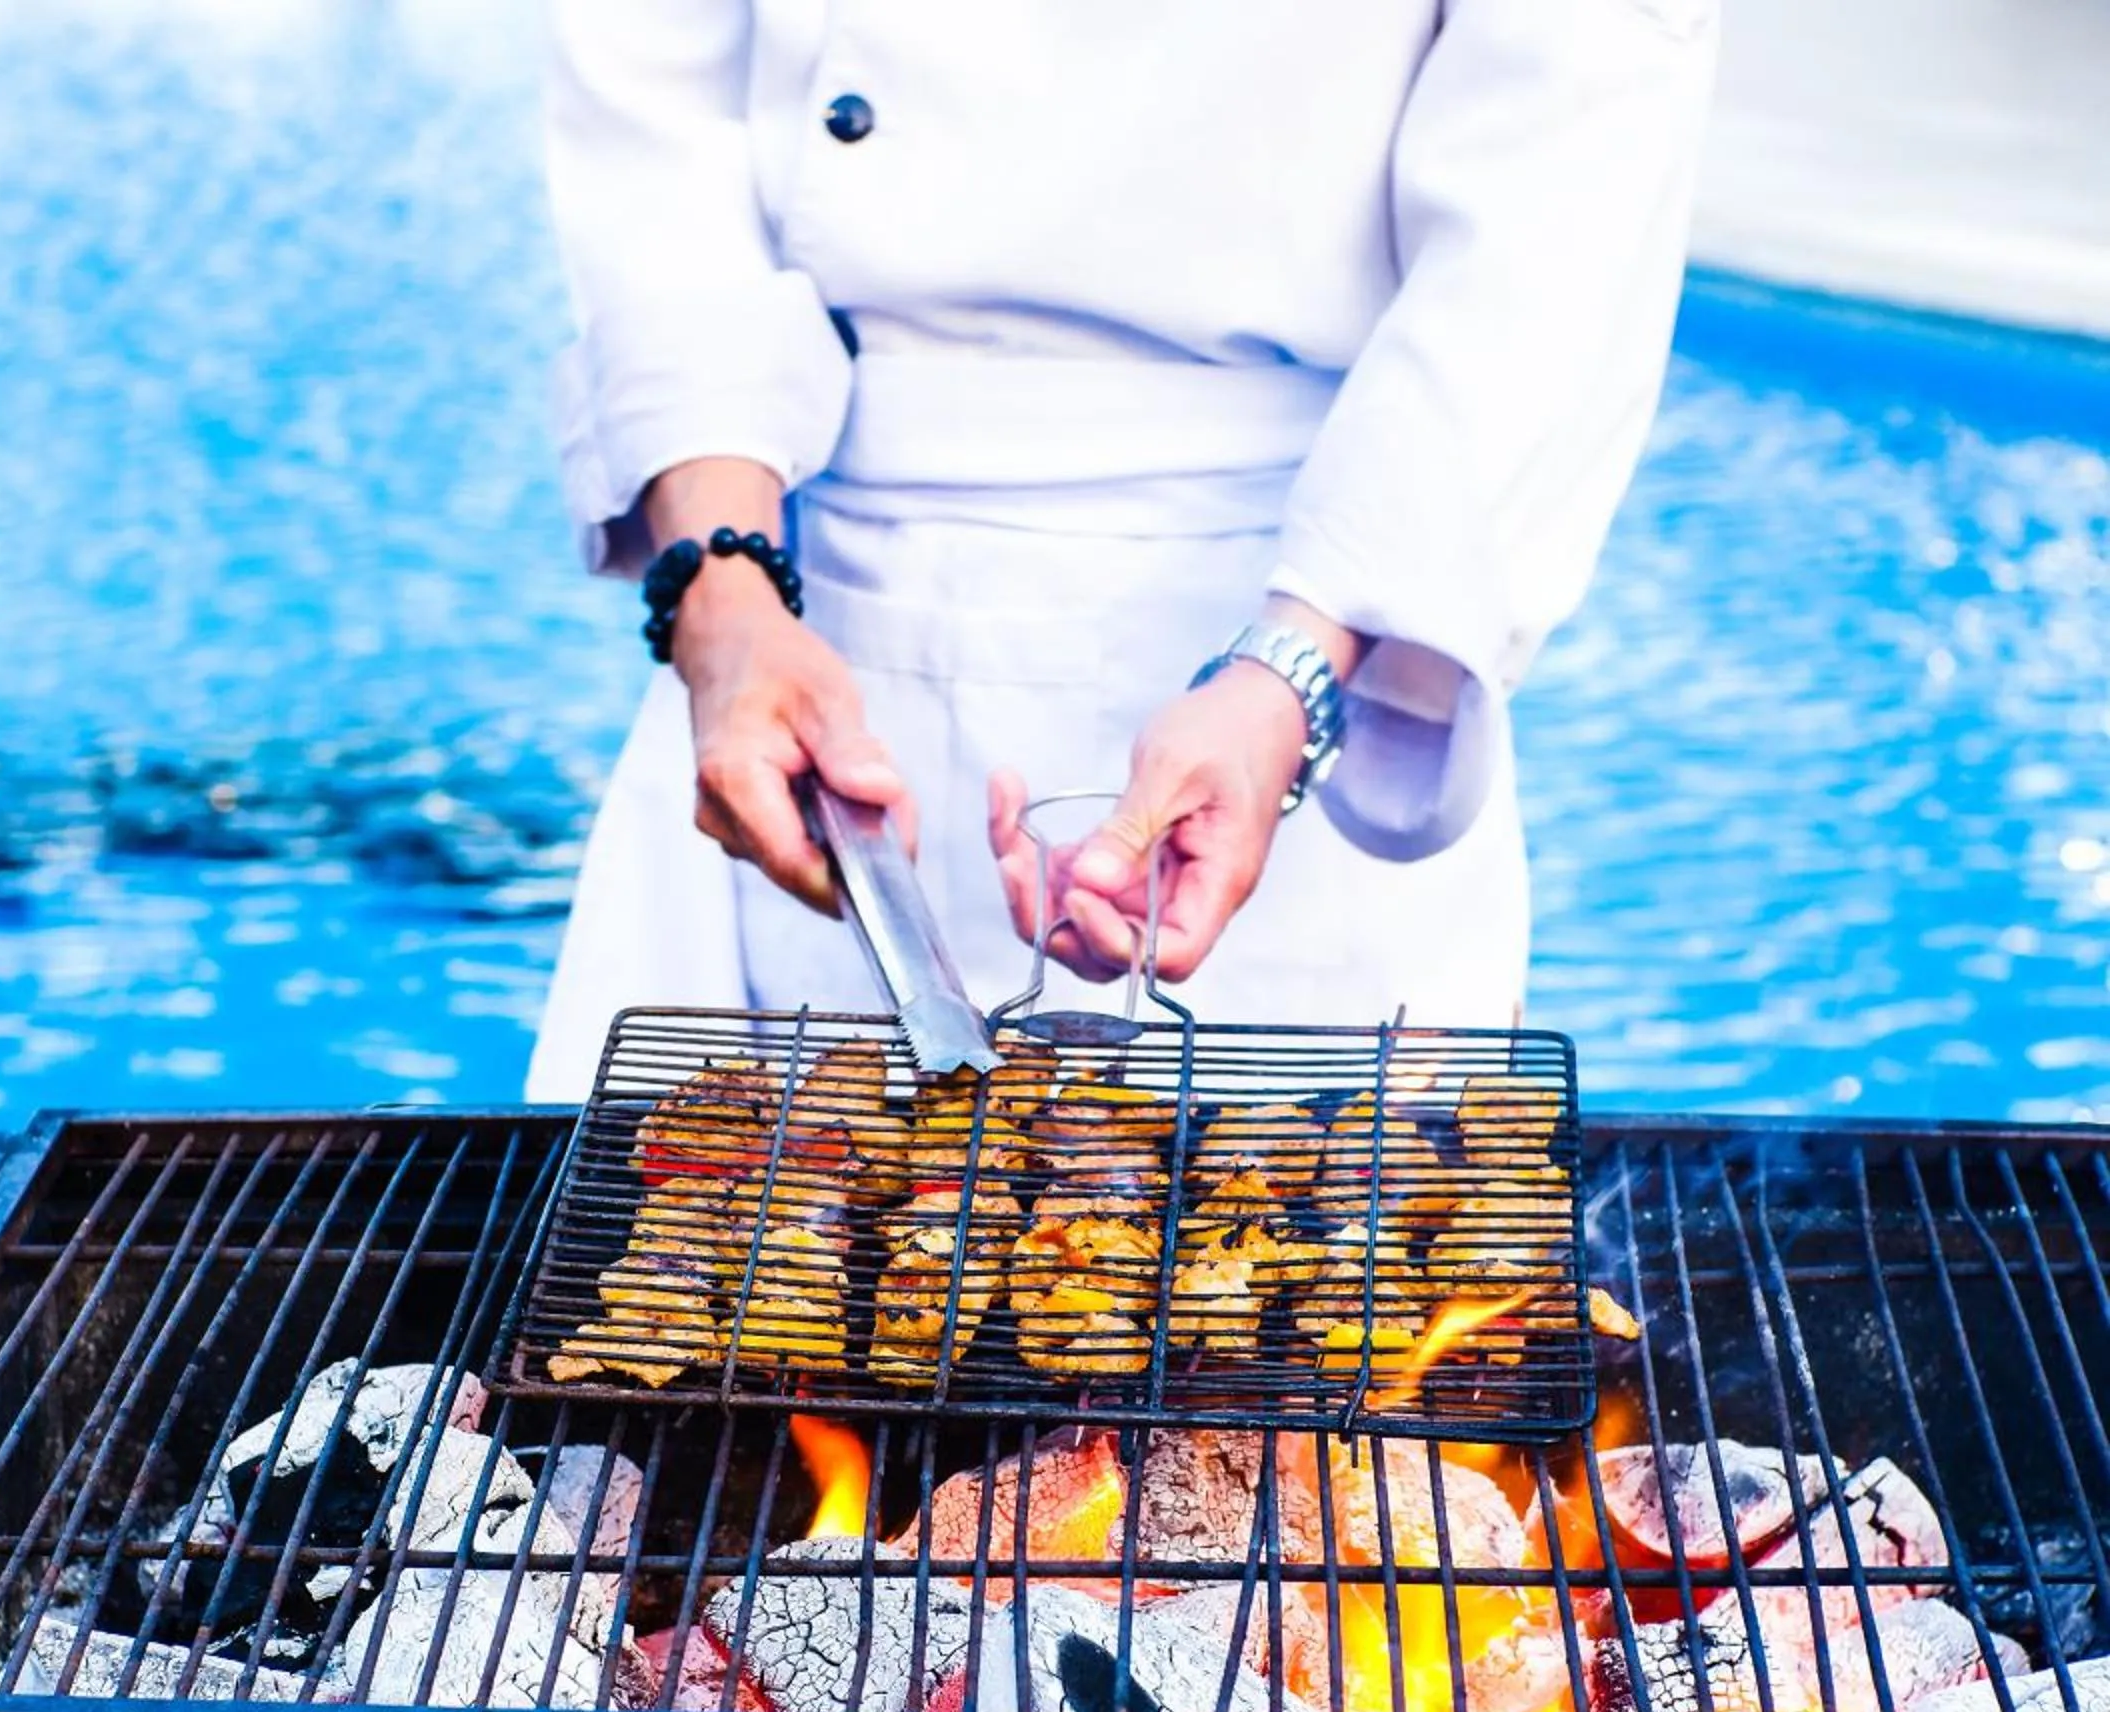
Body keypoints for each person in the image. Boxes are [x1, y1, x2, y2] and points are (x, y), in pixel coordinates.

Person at [522, 0, 1719, 1101]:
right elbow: (654, 107)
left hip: (1305, 640)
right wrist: (722, 600)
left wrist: (1291, 679)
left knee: (1311, 1283)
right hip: (811, 626)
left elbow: (1568, 185)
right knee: (707, 1281)